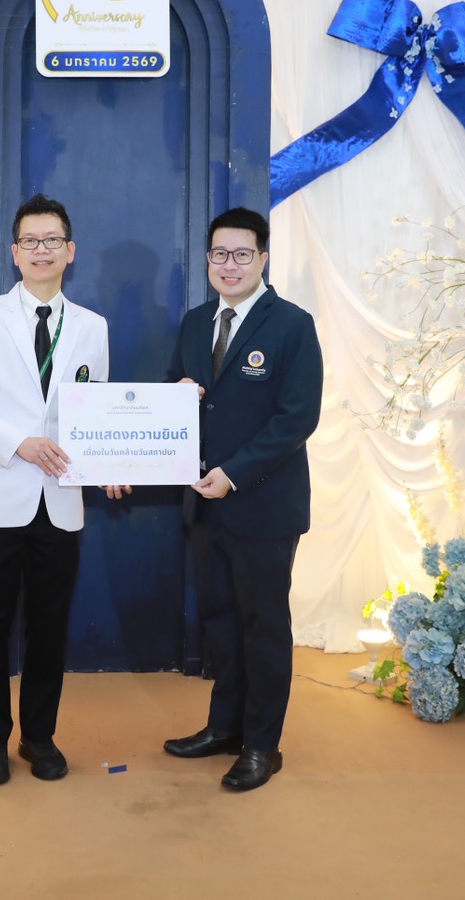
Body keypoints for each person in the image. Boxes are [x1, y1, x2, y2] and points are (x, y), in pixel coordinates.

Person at [0, 193, 123, 786]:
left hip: (60, 498)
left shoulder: (92, 327)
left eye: (53, 241)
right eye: (31, 241)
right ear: (14, 253)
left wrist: (109, 461)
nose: (42, 250)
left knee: (49, 627)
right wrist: (18, 442)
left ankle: (39, 736)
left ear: (71, 251)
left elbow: (94, 410)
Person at [163, 206, 323, 792]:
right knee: (221, 622)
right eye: (219, 254)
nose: (228, 265)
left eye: (241, 254)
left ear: (263, 258)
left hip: (264, 504)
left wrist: (233, 473)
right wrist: (177, 396)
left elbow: (296, 419)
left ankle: (261, 745)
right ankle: (224, 727)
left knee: (263, 627)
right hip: (204, 502)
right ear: (207, 259)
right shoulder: (194, 322)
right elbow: (174, 398)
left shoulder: (293, 325)